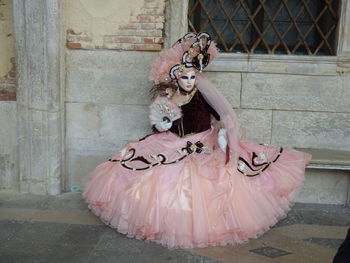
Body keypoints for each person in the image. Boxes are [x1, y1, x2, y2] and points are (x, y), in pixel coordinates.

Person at [83, 32, 312, 248]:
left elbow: (226, 116)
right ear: (176, 77)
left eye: (193, 76)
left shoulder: (202, 94)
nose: (190, 81)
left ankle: (195, 224)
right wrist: (160, 125)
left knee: (203, 182)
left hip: (202, 145)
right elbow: (159, 121)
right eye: (185, 77)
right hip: (169, 143)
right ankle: (165, 222)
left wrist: (227, 138)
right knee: (143, 173)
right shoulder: (167, 96)